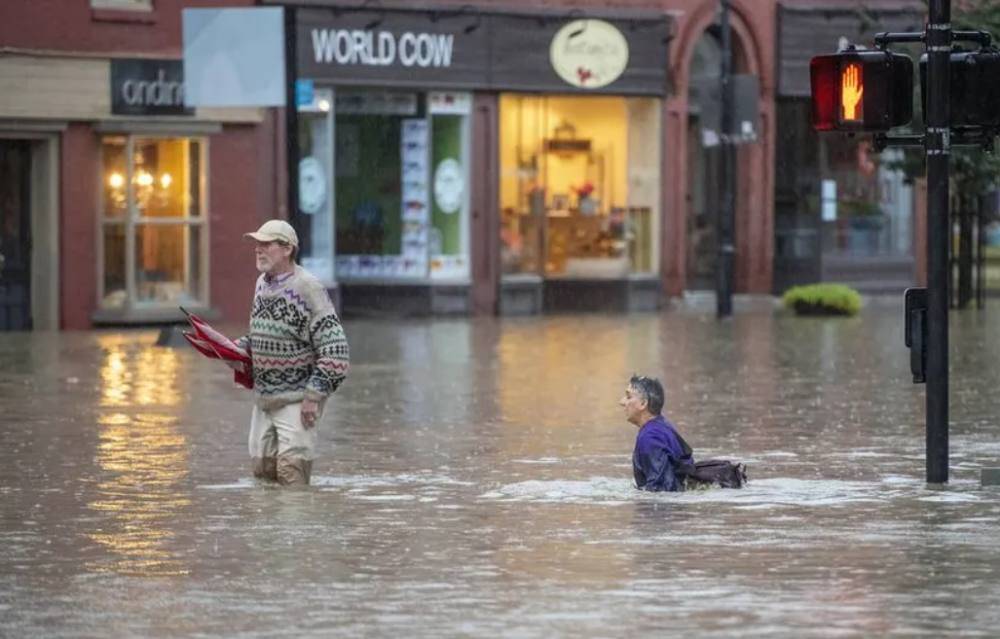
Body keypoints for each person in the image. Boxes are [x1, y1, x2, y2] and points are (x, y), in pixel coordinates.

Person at [237, 219, 349, 486]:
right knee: (262, 473)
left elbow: (336, 351)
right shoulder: (261, 285)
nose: (258, 250)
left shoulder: (308, 287)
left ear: (287, 249)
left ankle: (299, 527)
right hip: (265, 398)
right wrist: (240, 349)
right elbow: (266, 334)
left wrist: (313, 396)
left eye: (266, 244)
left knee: (292, 475)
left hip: (298, 400)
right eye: (256, 244)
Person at [620, 374, 693, 492]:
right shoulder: (661, 426)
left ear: (643, 404)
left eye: (628, 397)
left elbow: (661, 492)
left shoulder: (650, 437)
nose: (622, 402)